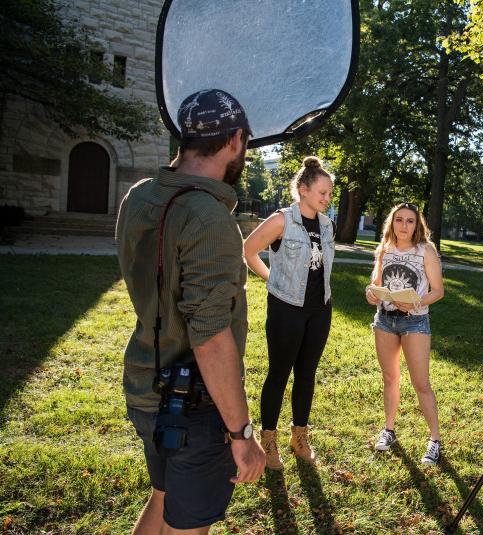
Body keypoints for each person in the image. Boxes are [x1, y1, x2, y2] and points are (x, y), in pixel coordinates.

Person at [116, 89, 266, 534]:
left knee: (163, 501)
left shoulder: (139, 196)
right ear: (236, 140)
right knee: (188, 524)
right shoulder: (210, 218)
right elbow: (211, 337)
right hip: (194, 407)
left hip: (145, 385)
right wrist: (241, 434)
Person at [242, 156, 335, 470]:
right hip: (286, 309)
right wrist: (272, 278)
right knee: (279, 373)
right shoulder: (282, 220)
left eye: (330, 194)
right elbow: (248, 249)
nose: (327, 198)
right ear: (303, 189)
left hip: (319, 309)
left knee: (306, 373)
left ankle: (299, 436)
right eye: (322, 192)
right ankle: (268, 439)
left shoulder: (327, 225)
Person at [365, 203, 445, 465]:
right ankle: (389, 431)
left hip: (415, 322)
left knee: (421, 383)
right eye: (399, 220)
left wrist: (416, 303)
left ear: (417, 225)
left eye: (410, 221)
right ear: (392, 222)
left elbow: (438, 291)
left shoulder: (426, 251)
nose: (403, 225)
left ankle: (434, 440)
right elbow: (376, 284)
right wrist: (371, 293)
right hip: (385, 321)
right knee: (390, 378)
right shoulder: (384, 249)